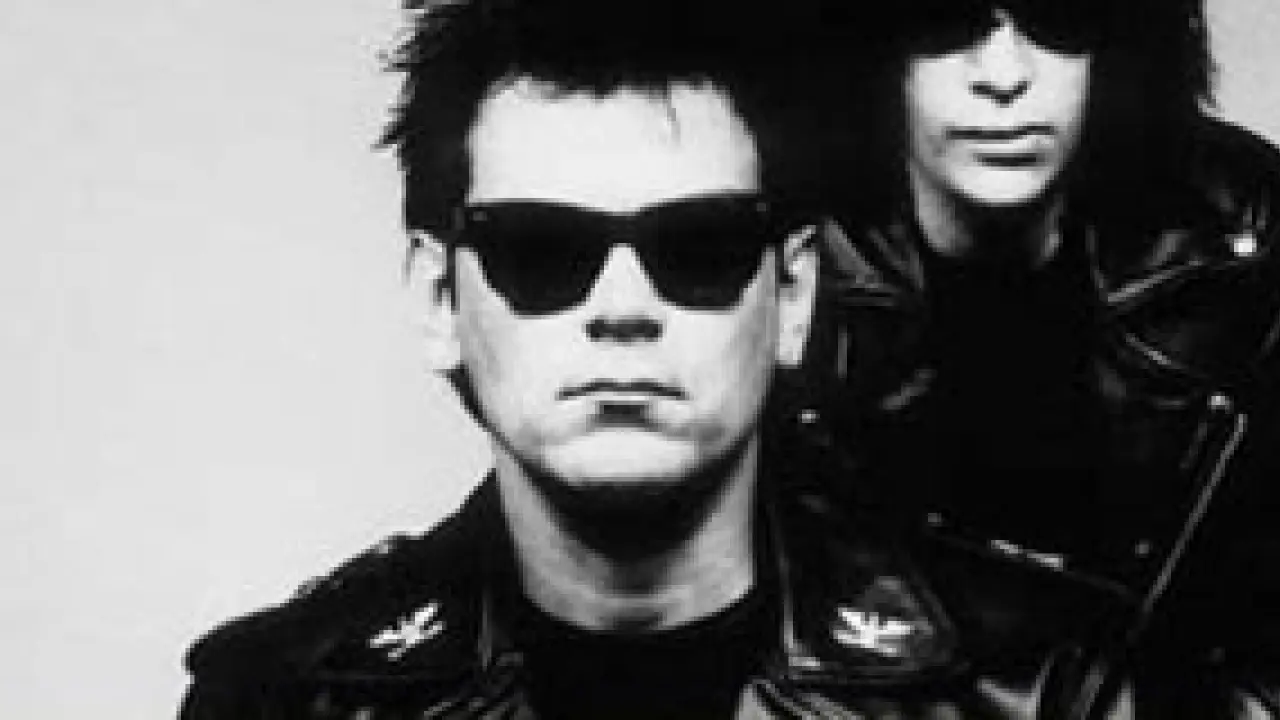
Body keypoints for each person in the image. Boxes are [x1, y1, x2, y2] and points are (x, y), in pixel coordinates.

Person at [176, 0, 1228, 717]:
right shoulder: (280, 700)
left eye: (699, 248)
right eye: (540, 250)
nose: (622, 309)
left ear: (794, 294)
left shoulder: (1054, 691)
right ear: (439, 297)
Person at [808, 0, 1280, 713]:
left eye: (1057, 14)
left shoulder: (1241, 241)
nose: (1004, 76)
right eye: (946, 22)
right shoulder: (769, 259)